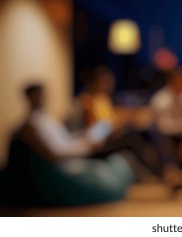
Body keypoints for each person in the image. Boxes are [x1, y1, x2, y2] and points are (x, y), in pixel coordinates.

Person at [0, 83, 135, 206]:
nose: (41, 98)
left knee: (119, 162)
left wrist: (84, 137)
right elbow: (54, 155)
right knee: (114, 171)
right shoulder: (30, 126)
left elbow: (64, 141)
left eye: (42, 95)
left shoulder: (46, 120)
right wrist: (86, 148)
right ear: (29, 98)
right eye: (37, 95)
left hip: (71, 156)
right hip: (58, 169)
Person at [78, 66, 182, 191]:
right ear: (94, 82)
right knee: (133, 139)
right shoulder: (89, 101)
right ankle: (165, 174)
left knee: (149, 131)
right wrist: (117, 124)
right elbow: (96, 131)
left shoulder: (104, 99)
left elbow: (111, 121)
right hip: (100, 144)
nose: (110, 84)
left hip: (111, 136)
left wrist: (124, 120)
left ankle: (169, 169)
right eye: (105, 81)